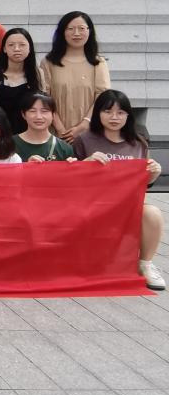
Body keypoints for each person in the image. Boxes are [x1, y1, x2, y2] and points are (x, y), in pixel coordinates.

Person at [72, 90, 164, 290]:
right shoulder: (84, 140)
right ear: (98, 113)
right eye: (108, 111)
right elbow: (71, 180)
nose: (114, 117)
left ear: (128, 115)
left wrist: (153, 174)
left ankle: (145, 264)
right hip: (92, 206)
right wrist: (85, 164)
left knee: (153, 213)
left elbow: (141, 183)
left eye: (120, 112)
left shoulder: (138, 143)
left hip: (126, 207)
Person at [40, 11, 111, 144]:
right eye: (70, 29)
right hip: (55, 132)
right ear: (62, 32)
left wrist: (84, 124)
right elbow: (44, 97)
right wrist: (60, 128)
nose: (76, 33)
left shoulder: (98, 63)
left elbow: (102, 97)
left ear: (89, 31)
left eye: (81, 28)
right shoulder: (48, 62)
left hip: (90, 132)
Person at [0, 28, 48, 134]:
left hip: (30, 133)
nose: (16, 49)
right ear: (4, 49)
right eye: (11, 45)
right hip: (2, 133)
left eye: (22, 45)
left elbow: (42, 106)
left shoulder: (37, 73)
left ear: (29, 48)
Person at [13, 93, 75, 162]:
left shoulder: (64, 148)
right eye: (32, 111)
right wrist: (27, 166)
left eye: (44, 111)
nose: (38, 117)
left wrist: (72, 165)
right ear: (23, 114)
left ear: (53, 115)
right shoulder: (9, 145)